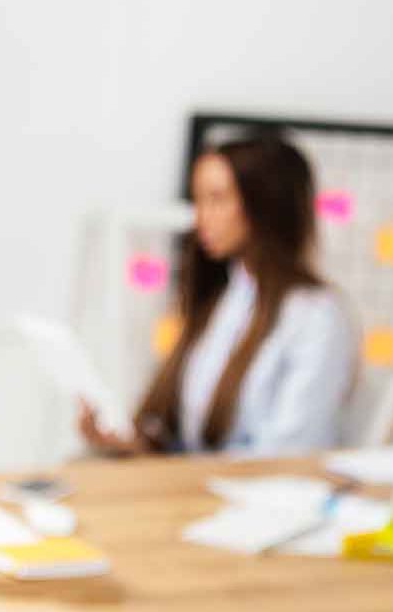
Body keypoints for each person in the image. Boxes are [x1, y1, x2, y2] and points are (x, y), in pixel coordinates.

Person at [80, 135, 357, 457]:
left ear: (265, 204)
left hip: (257, 496)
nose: (201, 217)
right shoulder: (224, 298)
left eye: (217, 199)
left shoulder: (316, 315)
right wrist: (127, 444)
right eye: (198, 200)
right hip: (199, 488)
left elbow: (288, 455)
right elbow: (187, 443)